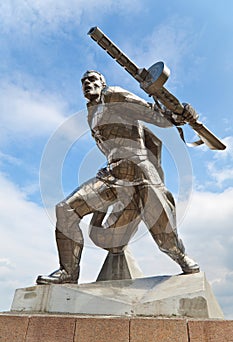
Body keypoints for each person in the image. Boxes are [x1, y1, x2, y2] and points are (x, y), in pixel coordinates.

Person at [36, 70, 200, 285]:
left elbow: (153, 115)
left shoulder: (114, 95)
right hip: (113, 175)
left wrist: (179, 115)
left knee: (164, 237)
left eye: (93, 79)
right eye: (83, 81)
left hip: (141, 172)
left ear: (102, 83)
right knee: (66, 210)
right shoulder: (91, 114)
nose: (87, 83)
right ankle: (68, 273)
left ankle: (182, 259)